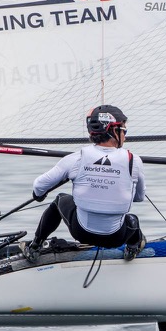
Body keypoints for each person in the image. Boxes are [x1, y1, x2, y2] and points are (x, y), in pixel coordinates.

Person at [23, 105, 146, 262]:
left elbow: (39, 186)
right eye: (124, 130)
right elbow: (139, 197)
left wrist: (38, 195)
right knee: (132, 220)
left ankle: (34, 247)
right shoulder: (134, 161)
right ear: (113, 130)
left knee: (59, 199)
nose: (125, 136)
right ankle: (133, 247)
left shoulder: (76, 158)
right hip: (115, 238)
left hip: (81, 233)